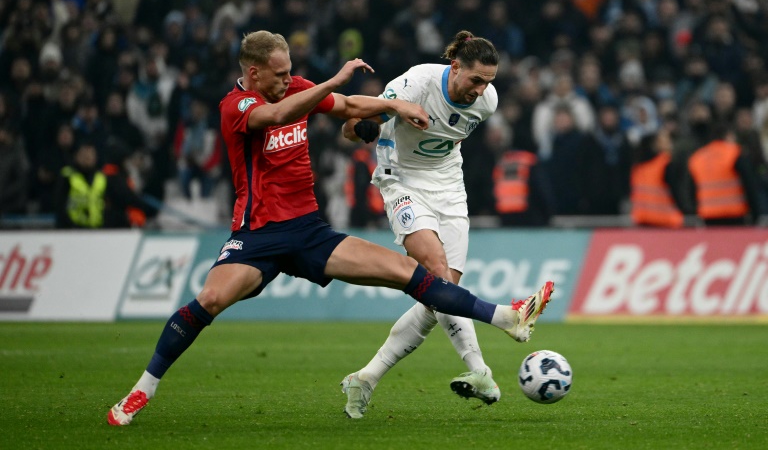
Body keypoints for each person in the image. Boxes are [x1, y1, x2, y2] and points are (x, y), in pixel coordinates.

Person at [107, 31, 554, 426]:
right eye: (279, 75)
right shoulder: (236, 105)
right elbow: (277, 117)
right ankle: (143, 388)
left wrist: (391, 104)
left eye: (291, 72)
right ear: (254, 72)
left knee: (414, 276)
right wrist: (333, 83)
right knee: (210, 299)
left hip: (309, 232)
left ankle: (505, 316)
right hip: (256, 235)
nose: (287, 80)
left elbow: (348, 108)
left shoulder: (298, 88)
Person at [339, 31, 554, 419]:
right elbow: (349, 128)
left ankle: (365, 378)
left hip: (450, 189)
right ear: (455, 67)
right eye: (475, 79)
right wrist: (368, 127)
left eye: (488, 81)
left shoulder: (487, 102)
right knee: (437, 275)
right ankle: (484, 363)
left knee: (440, 295)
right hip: (401, 182)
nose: (480, 89)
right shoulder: (415, 83)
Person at [687, 123, 762, 226]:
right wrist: (756, 213)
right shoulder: (734, 152)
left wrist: (693, 211)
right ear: (728, 135)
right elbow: (749, 184)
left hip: (708, 215)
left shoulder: (697, 157)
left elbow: (691, 189)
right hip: (734, 214)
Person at [630, 129, 685, 228]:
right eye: (665, 140)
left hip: (642, 221)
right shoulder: (665, 164)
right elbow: (678, 192)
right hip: (666, 222)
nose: (670, 144)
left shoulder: (637, 168)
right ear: (655, 145)